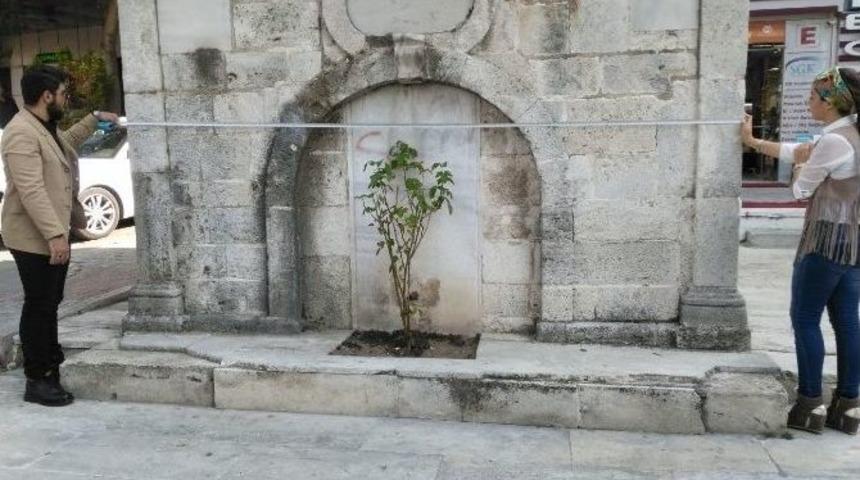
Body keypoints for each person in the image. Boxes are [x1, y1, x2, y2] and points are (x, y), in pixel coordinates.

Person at [742, 66, 860, 435]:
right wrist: (755, 142)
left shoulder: (834, 141)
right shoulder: (850, 135)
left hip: (826, 241)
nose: (808, 101)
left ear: (830, 103)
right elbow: (799, 150)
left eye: (813, 96)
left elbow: (800, 191)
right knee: (847, 323)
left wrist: (803, 167)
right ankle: (850, 404)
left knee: (805, 318)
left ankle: (810, 403)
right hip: (853, 241)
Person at [0, 65, 118, 406]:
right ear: (46, 96)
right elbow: (31, 189)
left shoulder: (43, 127)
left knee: (48, 304)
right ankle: (37, 379)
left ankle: (49, 368)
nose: (67, 100)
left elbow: (65, 143)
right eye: (64, 94)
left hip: (49, 233)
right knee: (39, 306)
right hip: (33, 237)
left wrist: (94, 119)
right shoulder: (21, 132)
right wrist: (55, 235)